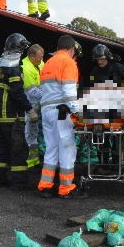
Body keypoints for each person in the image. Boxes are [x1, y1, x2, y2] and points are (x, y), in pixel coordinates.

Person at [37, 35, 85, 199]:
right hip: (61, 111)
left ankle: (45, 186)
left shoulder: (48, 63)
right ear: (72, 49)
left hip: (46, 110)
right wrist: (77, 112)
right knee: (67, 148)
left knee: (51, 148)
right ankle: (66, 188)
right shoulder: (68, 62)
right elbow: (69, 92)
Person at [0, 33, 39, 190]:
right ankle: (19, 182)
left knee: (1, 147)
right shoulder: (13, 69)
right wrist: (30, 110)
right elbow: (17, 94)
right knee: (19, 149)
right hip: (12, 117)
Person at [21, 43, 45, 168]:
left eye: (42, 57)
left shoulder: (39, 63)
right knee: (27, 132)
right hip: (29, 107)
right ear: (31, 56)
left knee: (34, 133)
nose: (41, 60)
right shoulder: (25, 67)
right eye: (39, 57)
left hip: (37, 106)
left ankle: (33, 162)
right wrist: (51, 97)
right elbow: (32, 91)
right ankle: (24, 161)